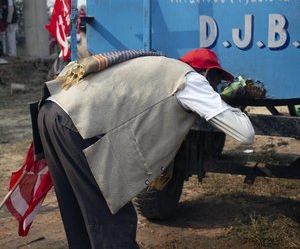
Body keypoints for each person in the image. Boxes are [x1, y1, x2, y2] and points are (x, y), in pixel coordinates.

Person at [34, 48, 255, 248]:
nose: (215, 88)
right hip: (77, 124)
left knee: (78, 215)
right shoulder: (190, 80)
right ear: (208, 74)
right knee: (113, 218)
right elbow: (244, 134)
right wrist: (224, 102)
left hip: (51, 112)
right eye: (216, 83)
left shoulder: (156, 65)